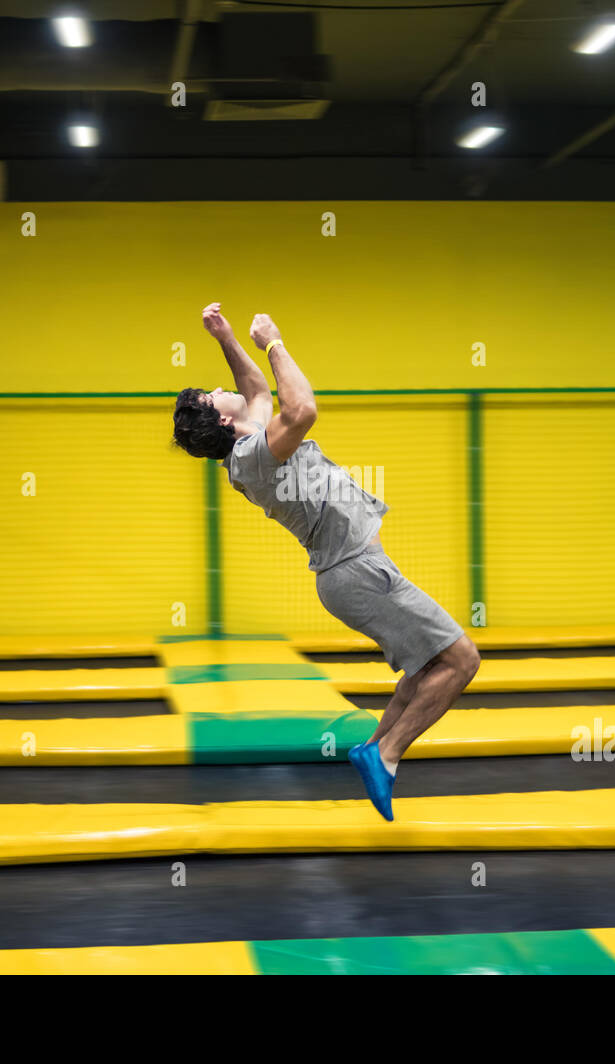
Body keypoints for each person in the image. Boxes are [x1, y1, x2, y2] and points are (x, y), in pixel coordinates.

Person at [171, 303, 480, 820]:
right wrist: (273, 342)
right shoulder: (255, 456)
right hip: (356, 571)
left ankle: (372, 748)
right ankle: (386, 754)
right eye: (214, 392)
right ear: (222, 417)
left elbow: (256, 393)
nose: (224, 389)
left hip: (355, 568)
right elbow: (302, 408)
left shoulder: (246, 444)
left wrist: (224, 336)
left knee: (429, 665)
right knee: (462, 660)